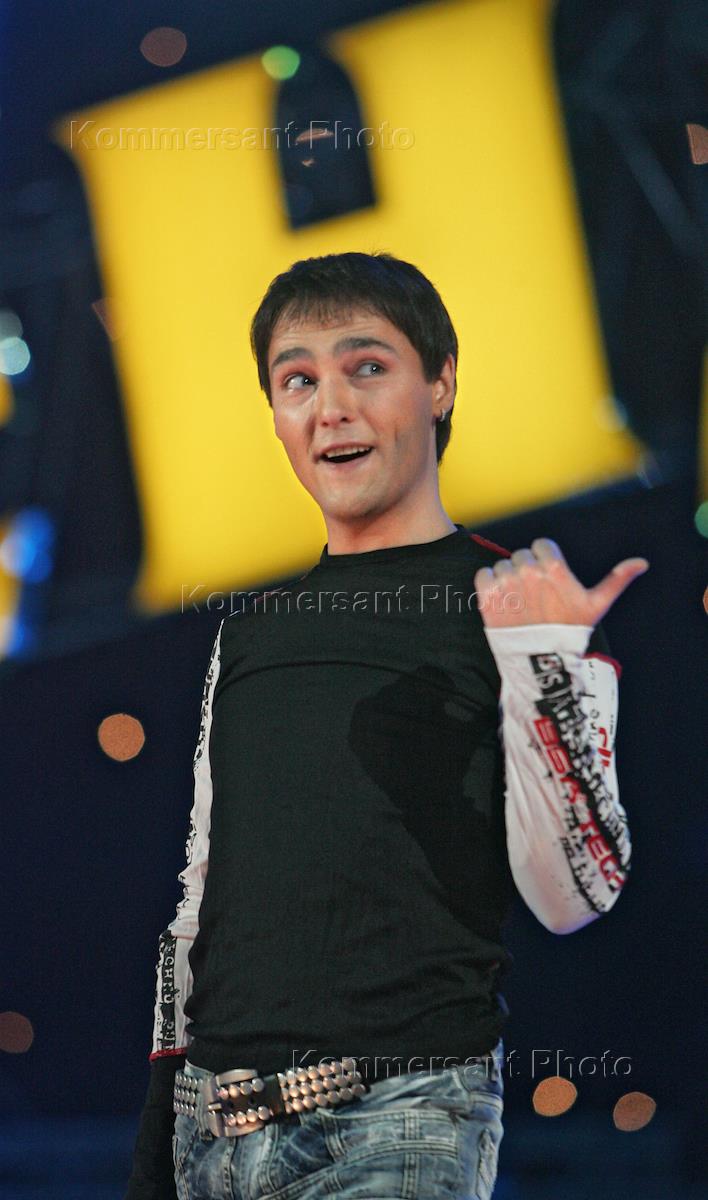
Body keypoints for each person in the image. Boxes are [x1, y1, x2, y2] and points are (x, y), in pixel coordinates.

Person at [125, 252, 648, 1200]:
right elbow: (198, 899)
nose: (331, 407)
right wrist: (159, 1137)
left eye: (367, 367)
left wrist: (543, 656)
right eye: (298, 380)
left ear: (441, 382)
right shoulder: (248, 635)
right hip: (209, 1136)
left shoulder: (515, 604)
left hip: (395, 1125)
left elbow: (577, 893)